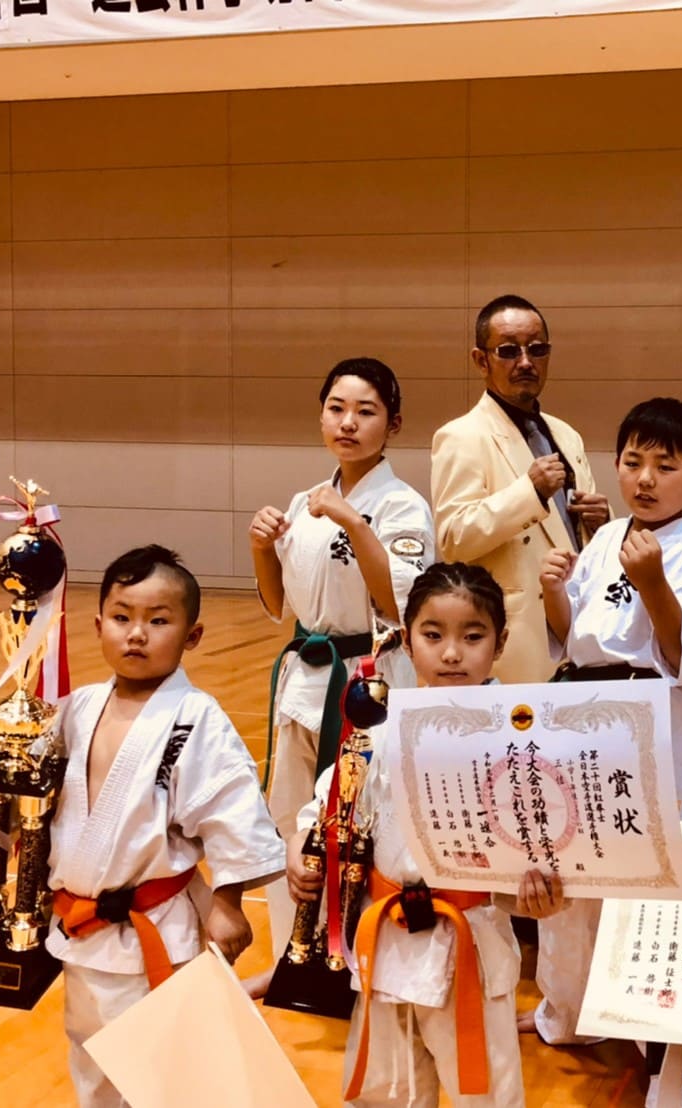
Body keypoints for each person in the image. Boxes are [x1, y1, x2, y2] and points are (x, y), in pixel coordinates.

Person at [0, 546, 284, 1108]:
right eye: (122, 617)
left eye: (158, 621)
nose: (137, 634)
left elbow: (231, 811)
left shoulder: (196, 718)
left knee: (171, 1078)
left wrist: (228, 902)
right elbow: (24, 796)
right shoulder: (73, 710)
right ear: (97, 625)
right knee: (94, 1063)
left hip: (159, 929)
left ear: (192, 636)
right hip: (82, 933)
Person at [287, 562, 567, 1107]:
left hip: (470, 946)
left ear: (500, 642)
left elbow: (552, 855)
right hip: (384, 943)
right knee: (382, 1095)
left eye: (472, 636)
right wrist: (301, 849)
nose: (452, 653)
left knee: (485, 1096)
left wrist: (541, 898)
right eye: (433, 635)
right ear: (407, 641)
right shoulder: (376, 735)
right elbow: (325, 812)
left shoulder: (525, 747)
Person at [528, 396, 682, 1046]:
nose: (645, 479)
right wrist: (553, 593)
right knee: (574, 863)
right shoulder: (604, 539)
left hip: (650, 722)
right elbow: (574, 639)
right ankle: (569, 1012)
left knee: (647, 871)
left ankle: (652, 1028)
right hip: (581, 715)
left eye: (665, 467)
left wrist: (654, 584)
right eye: (633, 461)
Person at [246, 356, 433, 994]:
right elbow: (279, 604)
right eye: (336, 408)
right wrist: (260, 547)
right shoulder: (305, 501)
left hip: (370, 676)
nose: (348, 423)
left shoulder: (403, 506)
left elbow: (398, 604)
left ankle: (354, 962)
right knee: (291, 819)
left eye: (365, 411)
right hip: (306, 674)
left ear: (393, 424)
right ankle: (289, 955)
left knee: (362, 820)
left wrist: (353, 522)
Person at [430, 294, 609, 685]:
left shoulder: (566, 434)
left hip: (581, 626)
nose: (526, 362)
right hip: (517, 635)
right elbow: (453, 539)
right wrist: (530, 493)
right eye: (509, 351)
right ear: (481, 360)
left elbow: (574, 538)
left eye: (537, 349)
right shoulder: (461, 436)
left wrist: (601, 524)